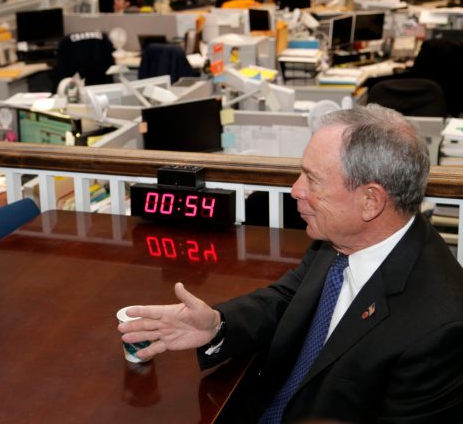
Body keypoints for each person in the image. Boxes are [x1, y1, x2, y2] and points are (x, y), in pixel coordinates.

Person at [119, 104, 463, 422]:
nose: (295, 190)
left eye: (312, 179)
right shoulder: (337, 241)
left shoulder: (441, 331)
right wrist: (217, 326)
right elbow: (288, 299)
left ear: (371, 201)